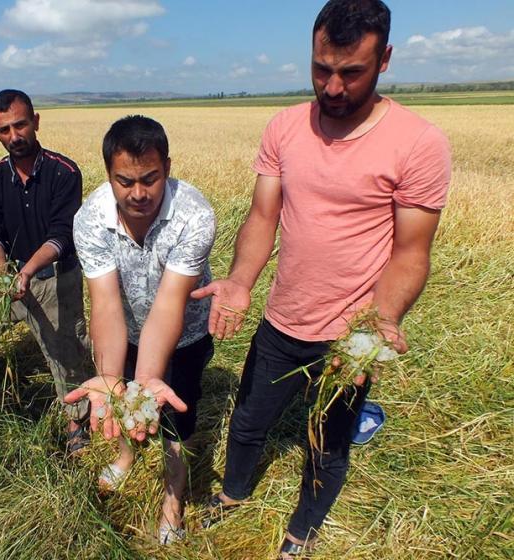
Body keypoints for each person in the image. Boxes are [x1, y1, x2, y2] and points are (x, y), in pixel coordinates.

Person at [190, 0, 451, 557]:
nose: (331, 87)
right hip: (283, 320)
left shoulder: (418, 143)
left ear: (384, 60)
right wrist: (240, 281)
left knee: (327, 447)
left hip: (348, 340)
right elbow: (263, 215)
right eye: (320, 69)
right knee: (247, 422)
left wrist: (380, 324)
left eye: (350, 72)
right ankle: (234, 496)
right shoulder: (285, 126)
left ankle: (299, 533)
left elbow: (410, 252)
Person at [66, 115, 216, 544]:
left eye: (149, 179)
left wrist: (148, 378)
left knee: (175, 421)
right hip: (126, 330)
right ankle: (126, 455)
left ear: (167, 167)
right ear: (108, 176)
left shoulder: (194, 215)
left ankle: (173, 499)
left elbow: (171, 303)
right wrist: (112, 377)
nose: (138, 193)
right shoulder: (90, 218)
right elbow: (107, 302)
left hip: (184, 332)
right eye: (124, 181)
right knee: (125, 400)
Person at [0, 89, 91, 454]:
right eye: (4, 129)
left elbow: (61, 235)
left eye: (20, 125)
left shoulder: (65, 172)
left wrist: (26, 271)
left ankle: (77, 425)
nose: (14, 136)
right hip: (9, 281)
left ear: (36, 122)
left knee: (67, 354)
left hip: (55, 280)